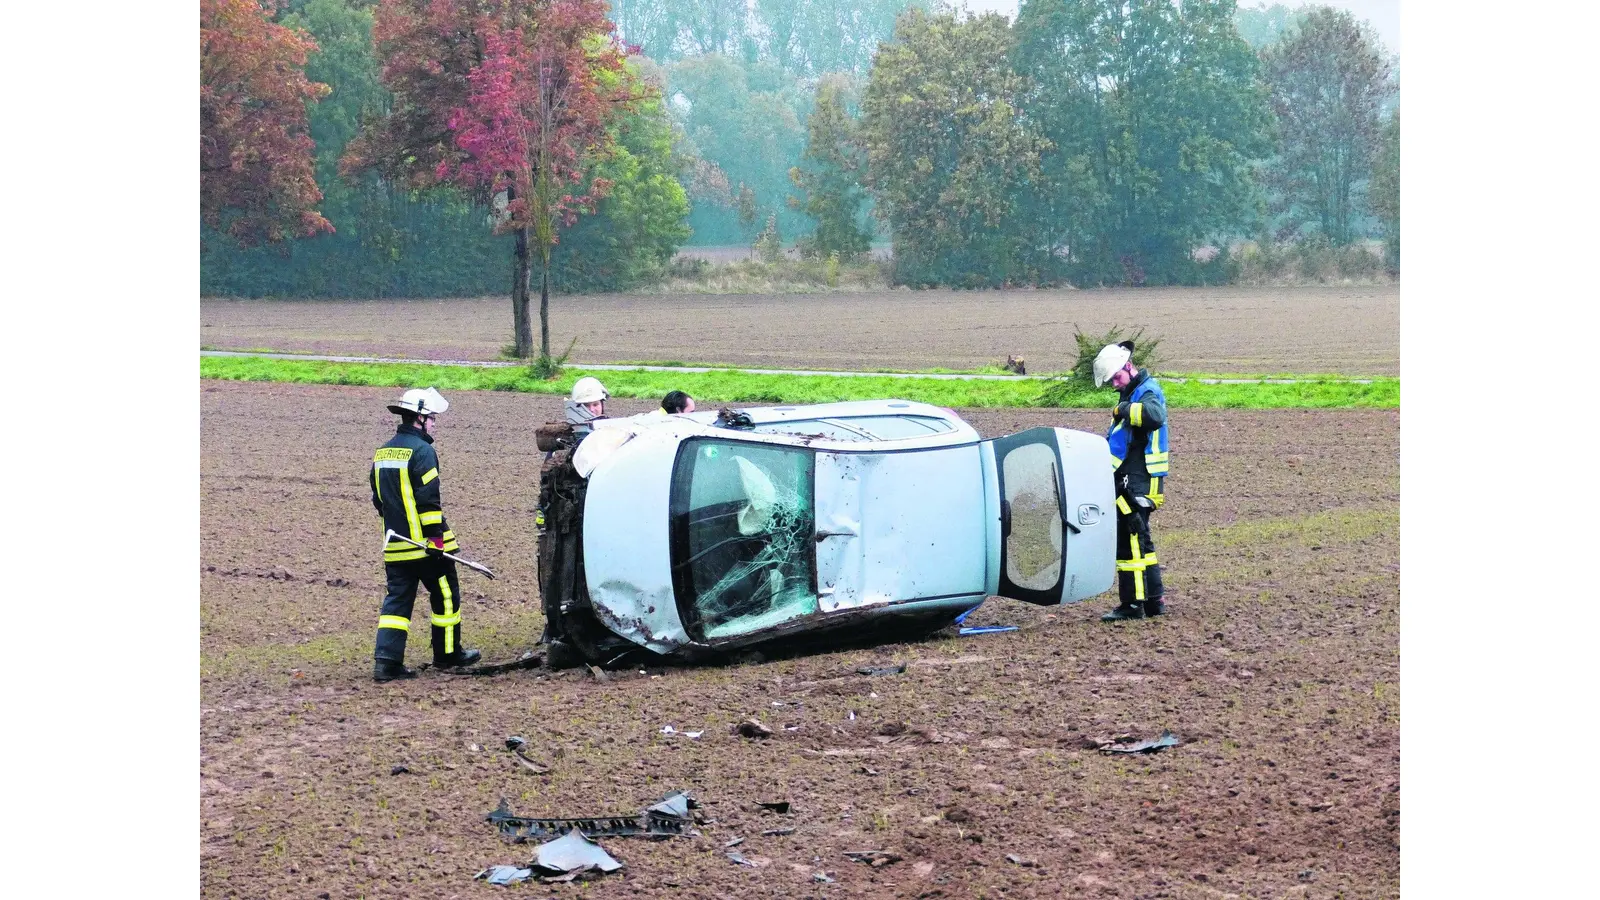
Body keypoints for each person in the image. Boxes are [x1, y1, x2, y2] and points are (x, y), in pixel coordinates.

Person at [370, 387, 481, 681]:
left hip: (395, 545)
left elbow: (378, 500)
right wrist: (435, 540)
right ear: (419, 418)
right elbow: (429, 502)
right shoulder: (423, 452)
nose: (433, 423)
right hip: (425, 547)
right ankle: (448, 654)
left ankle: (386, 663)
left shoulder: (382, 452)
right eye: (431, 418)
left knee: (397, 603)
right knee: (445, 595)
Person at [1093, 341, 1170, 622]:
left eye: (1116, 377)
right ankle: (1153, 601)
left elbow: (1154, 416)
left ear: (1129, 366)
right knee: (1142, 541)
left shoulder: (1146, 391)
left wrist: (1124, 410)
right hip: (1136, 479)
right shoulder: (1134, 391)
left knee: (1130, 540)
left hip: (1139, 480)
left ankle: (1132, 604)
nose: (1114, 384)